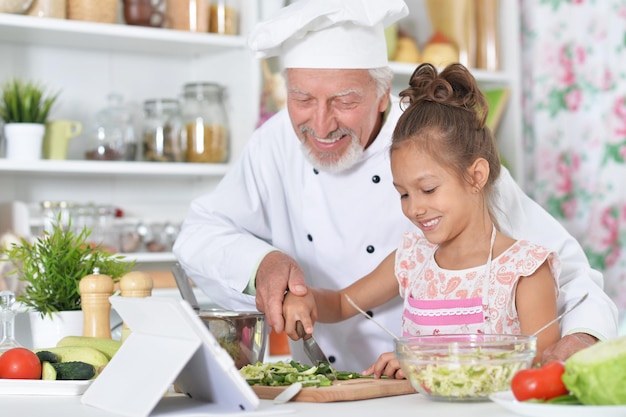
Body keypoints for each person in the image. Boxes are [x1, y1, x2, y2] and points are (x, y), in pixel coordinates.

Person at [173, 0, 618, 372]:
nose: (321, 124)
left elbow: (571, 282)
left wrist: (576, 342)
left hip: (430, 384)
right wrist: (262, 265)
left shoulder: (437, 149)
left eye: (345, 101)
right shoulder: (273, 143)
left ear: (382, 94)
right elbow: (199, 232)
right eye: (302, 99)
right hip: (341, 379)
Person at [282, 62, 561, 377]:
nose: (414, 208)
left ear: (476, 176)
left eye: (427, 189)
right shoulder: (412, 258)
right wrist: (304, 300)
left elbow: (541, 367)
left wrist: (427, 363)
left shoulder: (524, 269)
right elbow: (342, 303)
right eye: (404, 194)